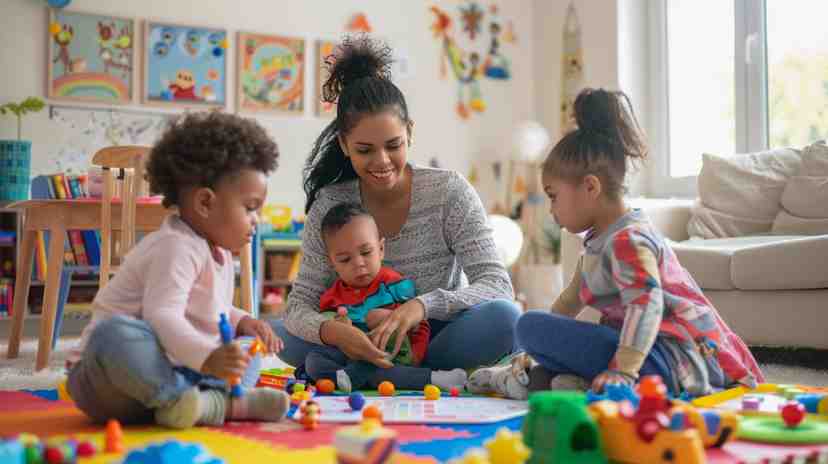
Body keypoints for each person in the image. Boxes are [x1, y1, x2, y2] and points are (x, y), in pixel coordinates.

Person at [468, 88, 764, 400]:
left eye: (554, 196)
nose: (552, 210)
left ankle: (604, 380)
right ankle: (545, 379)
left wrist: (622, 369)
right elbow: (569, 302)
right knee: (538, 344)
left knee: (529, 326)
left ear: (590, 186)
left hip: (677, 360)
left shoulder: (628, 240)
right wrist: (534, 352)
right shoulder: (598, 242)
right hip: (645, 355)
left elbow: (645, 306)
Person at [270, 35, 521, 389]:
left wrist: (421, 306)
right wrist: (334, 333)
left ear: (410, 134)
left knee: (506, 318)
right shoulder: (330, 204)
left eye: (393, 145)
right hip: (352, 336)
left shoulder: (449, 191)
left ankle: (375, 371)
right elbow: (300, 305)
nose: (382, 162)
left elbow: (497, 286)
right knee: (280, 332)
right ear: (344, 145)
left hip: (434, 337)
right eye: (364, 150)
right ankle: (390, 370)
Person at [67, 112, 290, 428]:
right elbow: (163, 316)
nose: (257, 219)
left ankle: (199, 404)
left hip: (165, 379)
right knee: (112, 334)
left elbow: (209, 307)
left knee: (245, 352)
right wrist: (209, 358)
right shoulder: (176, 245)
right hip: (108, 380)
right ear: (205, 203)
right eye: (250, 208)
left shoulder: (218, 251)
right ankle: (211, 402)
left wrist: (244, 322)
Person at [305, 202, 471, 392]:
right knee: (313, 360)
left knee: (380, 370)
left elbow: (419, 323)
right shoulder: (332, 296)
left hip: (388, 354)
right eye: (345, 259)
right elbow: (323, 326)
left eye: (366, 253)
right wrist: (337, 326)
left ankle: (435, 379)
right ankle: (349, 377)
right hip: (348, 354)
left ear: (381, 249)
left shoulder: (394, 285)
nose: (359, 263)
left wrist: (409, 343)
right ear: (332, 263)